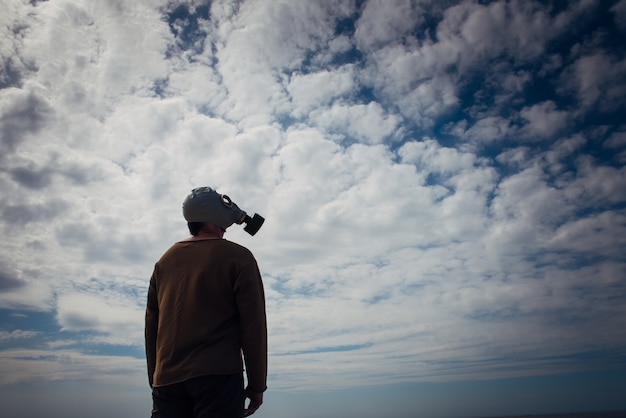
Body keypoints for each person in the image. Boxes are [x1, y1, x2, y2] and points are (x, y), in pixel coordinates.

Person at [145, 187, 268, 418]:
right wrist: (257, 384)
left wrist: (156, 379)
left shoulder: (165, 261)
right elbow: (253, 326)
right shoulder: (239, 257)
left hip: (166, 382)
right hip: (219, 378)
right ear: (216, 213)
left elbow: (152, 326)